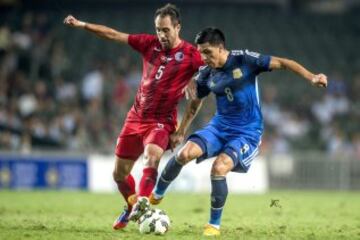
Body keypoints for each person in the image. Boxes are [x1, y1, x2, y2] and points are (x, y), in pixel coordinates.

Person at [149, 27, 328, 236]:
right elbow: (195, 103)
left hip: (247, 132)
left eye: (208, 52)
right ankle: (156, 194)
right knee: (184, 153)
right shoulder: (207, 74)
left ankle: (213, 225)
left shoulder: (245, 60)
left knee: (219, 167)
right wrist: (181, 131)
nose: (203, 57)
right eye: (201, 53)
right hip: (219, 126)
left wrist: (312, 76)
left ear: (221, 47)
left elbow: (284, 62)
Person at [63, 4, 203, 229]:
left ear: (178, 27)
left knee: (152, 156)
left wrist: (195, 83)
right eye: (158, 29)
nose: (161, 35)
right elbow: (113, 34)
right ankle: (131, 206)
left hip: (161, 121)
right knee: (119, 175)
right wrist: (82, 25)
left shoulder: (192, 55)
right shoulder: (149, 44)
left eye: (166, 30)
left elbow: (211, 73)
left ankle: (143, 204)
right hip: (135, 118)